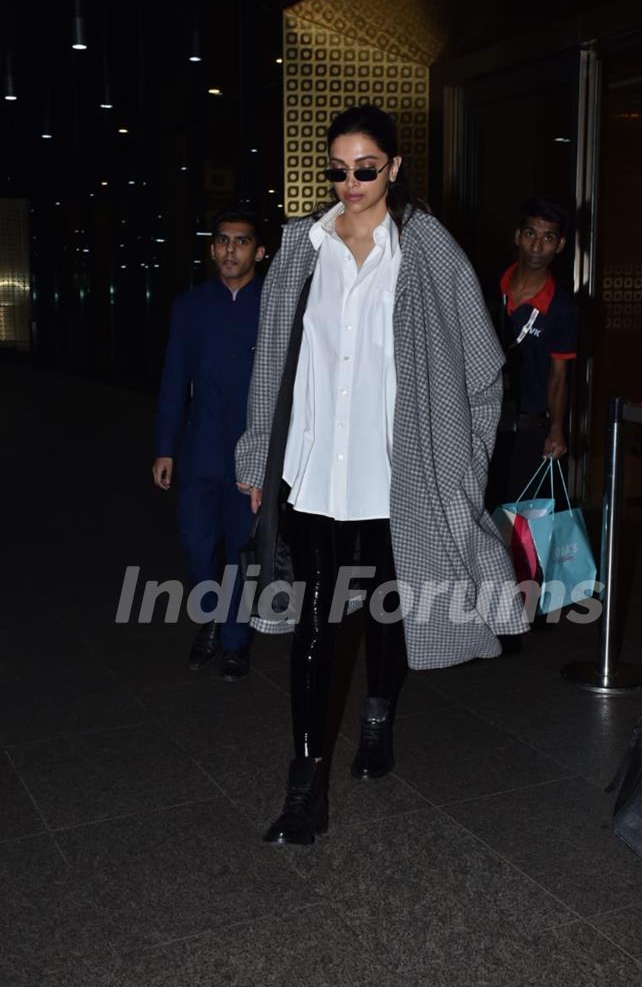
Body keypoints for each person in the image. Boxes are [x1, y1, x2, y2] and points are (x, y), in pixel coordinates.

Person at [235, 104, 526, 846]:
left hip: (396, 476)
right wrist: (256, 455)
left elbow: (484, 367)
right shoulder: (302, 247)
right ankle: (304, 789)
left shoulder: (426, 249)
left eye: (366, 168)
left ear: (394, 167)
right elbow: (270, 364)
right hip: (314, 474)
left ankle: (376, 718)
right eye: (338, 170)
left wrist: (463, 465)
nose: (351, 182)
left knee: (389, 612)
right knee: (314, 622)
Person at [153, 209, 265, 680]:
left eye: (241, 241)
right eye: (222, 240)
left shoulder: (274, 306)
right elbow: (174, 378)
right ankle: (211, 622)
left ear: (259, 251)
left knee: (242, 549)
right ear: (212, 247)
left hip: (252, 452)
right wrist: (165, 447)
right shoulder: (191, 306)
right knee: (197, 543)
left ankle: (235, 641)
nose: (230, 250)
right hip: (201, 447)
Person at [487, 196, 579, 510]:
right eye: (531, 234)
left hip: (528, 428)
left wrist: (556, 429)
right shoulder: (488, 288)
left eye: (548, 237)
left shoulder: (563, 308)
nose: (537, 245)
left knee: (518, 519)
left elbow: (559, 376)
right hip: (482, 420)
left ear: (560, 244)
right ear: (518, 236)